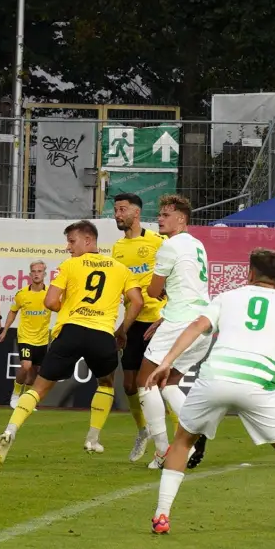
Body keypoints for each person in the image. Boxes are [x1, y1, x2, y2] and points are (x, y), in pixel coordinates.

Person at [146, 248, 275, 542]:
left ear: (250, 273)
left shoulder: (227, 297)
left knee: (182, 442)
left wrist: (166, 363)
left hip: (214, 378)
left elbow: (197, 326)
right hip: (258, 384)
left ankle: (162, 516)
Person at [0, 221, 143, 463]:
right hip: (102, 334)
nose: (68, 247)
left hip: (70, 332)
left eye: (72, 241)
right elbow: (137, 302)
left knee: (39, 388)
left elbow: (51, 302)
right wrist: (122, 331)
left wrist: (72, 310)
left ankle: (10, 430)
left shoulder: (70, 265)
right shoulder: (119, 268)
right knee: (105, 383)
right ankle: (93, 438)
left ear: (88, 240)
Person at [135, 195, 214, 469]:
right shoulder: (197, 244)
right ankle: (192, 437)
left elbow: (153, 291)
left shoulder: (169, 246)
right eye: (159, 214)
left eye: (166, 215)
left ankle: (161, 450)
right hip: (203, 322)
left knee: (145, 381)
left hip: (180, 322)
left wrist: (164, 309)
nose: (159, 218)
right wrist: (164, 316)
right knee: (167, 383)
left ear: (181, 219)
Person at [109, 193, 165, 460]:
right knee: (130, 385)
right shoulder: (117, 248)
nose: (117, 214)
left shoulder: (157, 241)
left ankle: (165, 446)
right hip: (131, 321)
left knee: (157, 384)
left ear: (137, 213)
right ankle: (143, 430)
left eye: (122, 210)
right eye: (116, 210)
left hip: (157, 320)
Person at [0, 260, 53, 406]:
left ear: (44, 274)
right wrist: (5, 330)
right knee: (26, 366)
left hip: (42, 339)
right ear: (29, 274)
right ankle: (16, 394)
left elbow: (60, 310)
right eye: (34, 271)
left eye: (39, 271)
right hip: (25, 337)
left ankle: (26, 401)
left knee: (36, 373)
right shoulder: (22, 294)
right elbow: (13, 311)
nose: (36, 274)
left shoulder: (49, 294)